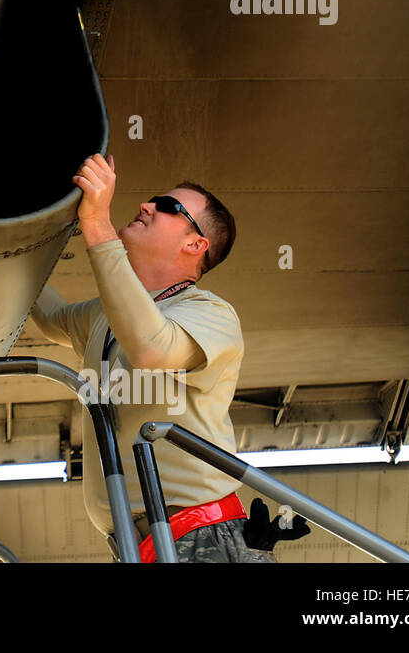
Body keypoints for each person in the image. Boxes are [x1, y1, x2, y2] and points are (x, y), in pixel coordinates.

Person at [28, 153, 280, 563]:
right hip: (138, 546)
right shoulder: (103, 316)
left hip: (202, 535)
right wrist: (14, 242)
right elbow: (51, 316)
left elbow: (152, 348)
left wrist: (96, 225)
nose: (145, 205)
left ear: (195, 244)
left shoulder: (210, 313)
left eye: (166, 206)